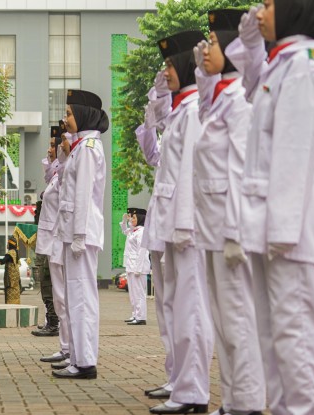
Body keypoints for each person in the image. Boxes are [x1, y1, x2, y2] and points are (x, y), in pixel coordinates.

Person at [227, 2, 314, 413]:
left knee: (295, 339)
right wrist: (248, 41)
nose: (258, 11)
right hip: (270, 228)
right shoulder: (282, 65)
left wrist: (280, 233)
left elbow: (295, 151)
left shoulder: (303, 65)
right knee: (274, 340)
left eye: (267, 4)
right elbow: (250, 85)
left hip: (290, 232)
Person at [192, 10, 266, 415]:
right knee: (223, 322)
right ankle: (234, 402)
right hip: (212, 227)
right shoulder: (219, 99)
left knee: (238, 321)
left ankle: (249, 403)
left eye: (213, 43)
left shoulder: (239, 102)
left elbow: (241, 167)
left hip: (229, 229)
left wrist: (238, 231)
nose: (205, 50)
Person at [148, 30, 215, 415]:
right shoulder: (181, 111)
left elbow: (189, 173)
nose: (167, 71)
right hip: (173, 223)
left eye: (171, 64)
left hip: (185, 225)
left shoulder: (191, 114)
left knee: (191, 307)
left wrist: (187, 225)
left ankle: (192, 392)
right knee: (177, 304)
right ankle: (183, 386)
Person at [51, 89, 108, 380]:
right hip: (73, 232)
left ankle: (85, 362)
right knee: (75, 296)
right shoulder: (79, 147)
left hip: (81, 235)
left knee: (82, 296)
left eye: (70, 113)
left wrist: (79, 235)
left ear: (84, 115)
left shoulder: (88, 150)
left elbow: (85, 195)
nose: (65, 118)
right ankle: (77, 356)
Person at [136, 69, 174, 399]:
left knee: (180, 303)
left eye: (159, 100)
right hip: (161, 224)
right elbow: (151, 156)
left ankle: (185, 380)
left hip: (179, 225)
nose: (154, 105)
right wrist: (148, 126)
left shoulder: (188, 118)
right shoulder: (167, 133)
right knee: (165, 303)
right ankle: (175, 375)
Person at [32, 125, 61, 337]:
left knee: (50, 281)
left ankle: (54, 321)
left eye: (53, 146)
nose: (49, 150)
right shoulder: (54, 176)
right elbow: (48, 172)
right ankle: (51, 319)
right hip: (47, 238)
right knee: (45, 280)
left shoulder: (62, 177)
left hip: (55, 239)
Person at [120, 208, 150, 326]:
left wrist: (138, 268)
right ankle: (135, 314)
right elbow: (124, 231)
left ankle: (141, 317)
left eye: (134, 218)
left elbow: (142, 251)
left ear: (140, 219)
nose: (131, 220)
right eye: (131, 217)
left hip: (138, 267)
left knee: (139, 293)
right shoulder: (133, 230)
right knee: (132, 293)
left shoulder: (142, 232)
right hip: (130, 265)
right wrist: (124, 221)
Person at [0, 236, 21, 305]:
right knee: (15, 292)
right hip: (15, 277)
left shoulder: (10, 253)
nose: (7, 245)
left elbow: (3, 260)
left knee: (10, 292)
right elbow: (8, 261)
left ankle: (10, 306)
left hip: (10, 278)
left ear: (10, 244)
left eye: (8, 243)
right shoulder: (15, 252)